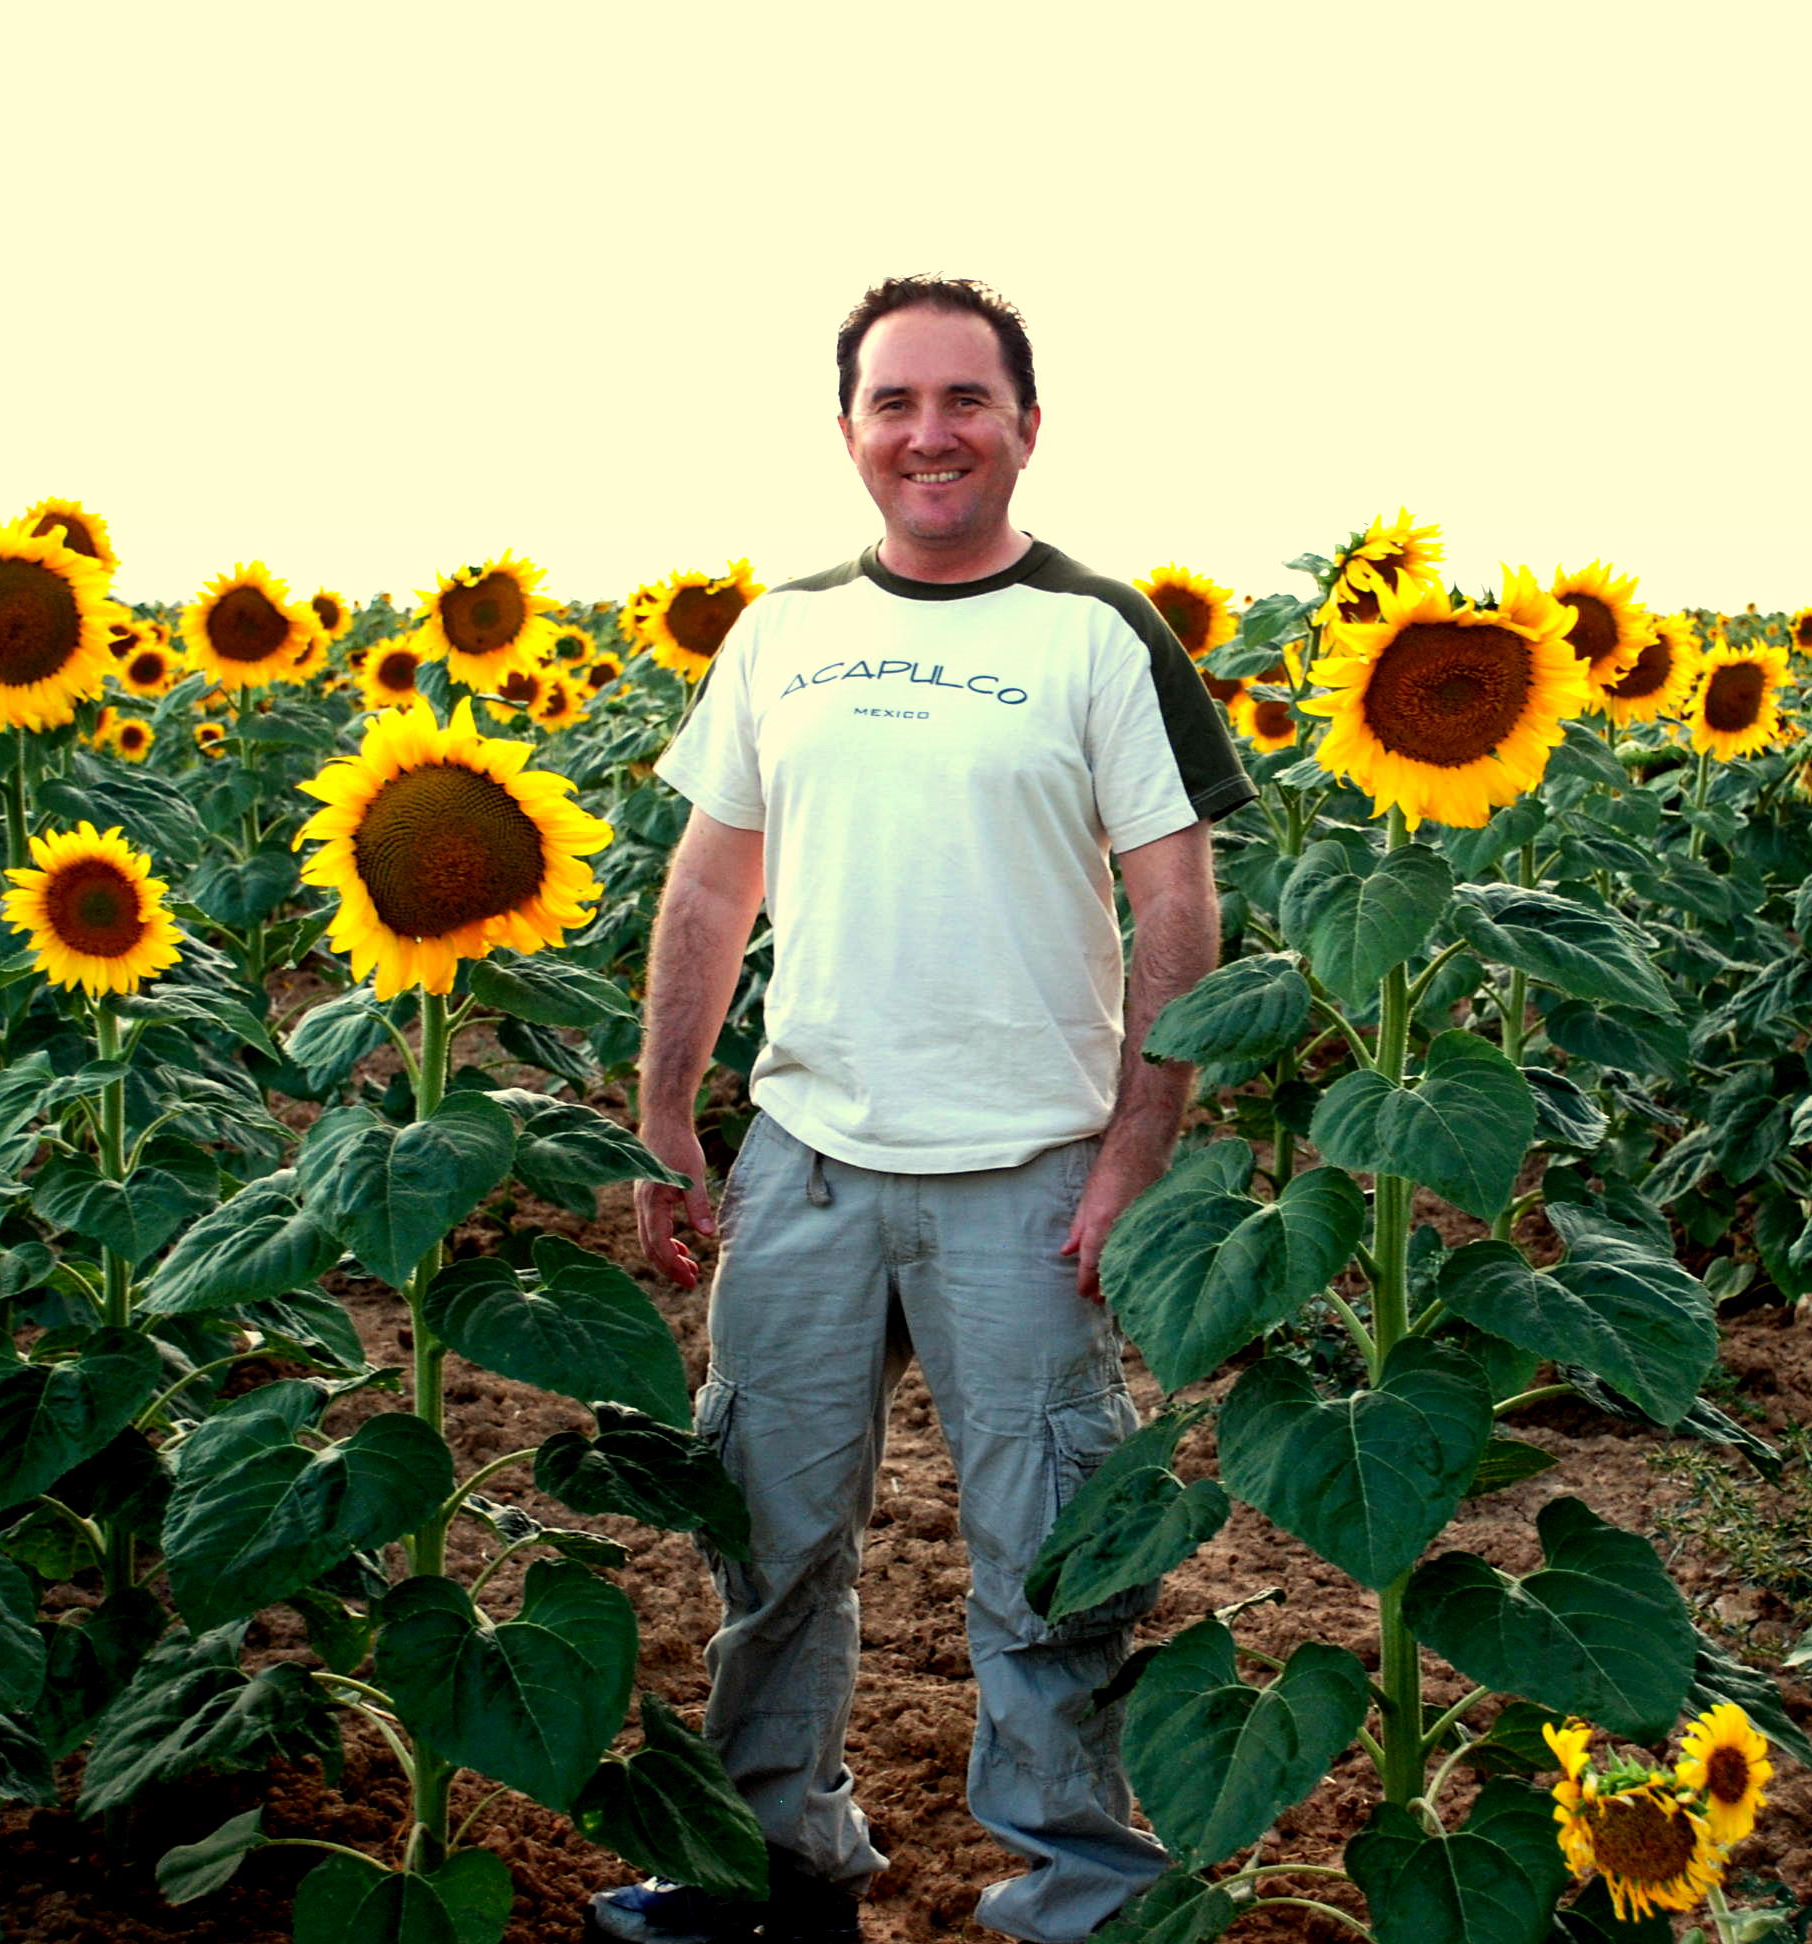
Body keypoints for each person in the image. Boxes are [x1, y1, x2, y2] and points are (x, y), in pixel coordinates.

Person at [591, 277, 1252, 1944]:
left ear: (1027, 426)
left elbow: (1176, 901)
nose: (930, 432)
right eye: (896, 401)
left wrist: (1136, 1154)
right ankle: (771, 1867)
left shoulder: (1098, 633)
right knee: (765, 1537)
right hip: (807, 1161)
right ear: (849, 432)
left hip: (1025, 1172)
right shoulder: (782, 633)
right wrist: (665, 1113)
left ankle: (1075, 1896)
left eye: (966, 399)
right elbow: (711, 881)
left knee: (1052, 1553)